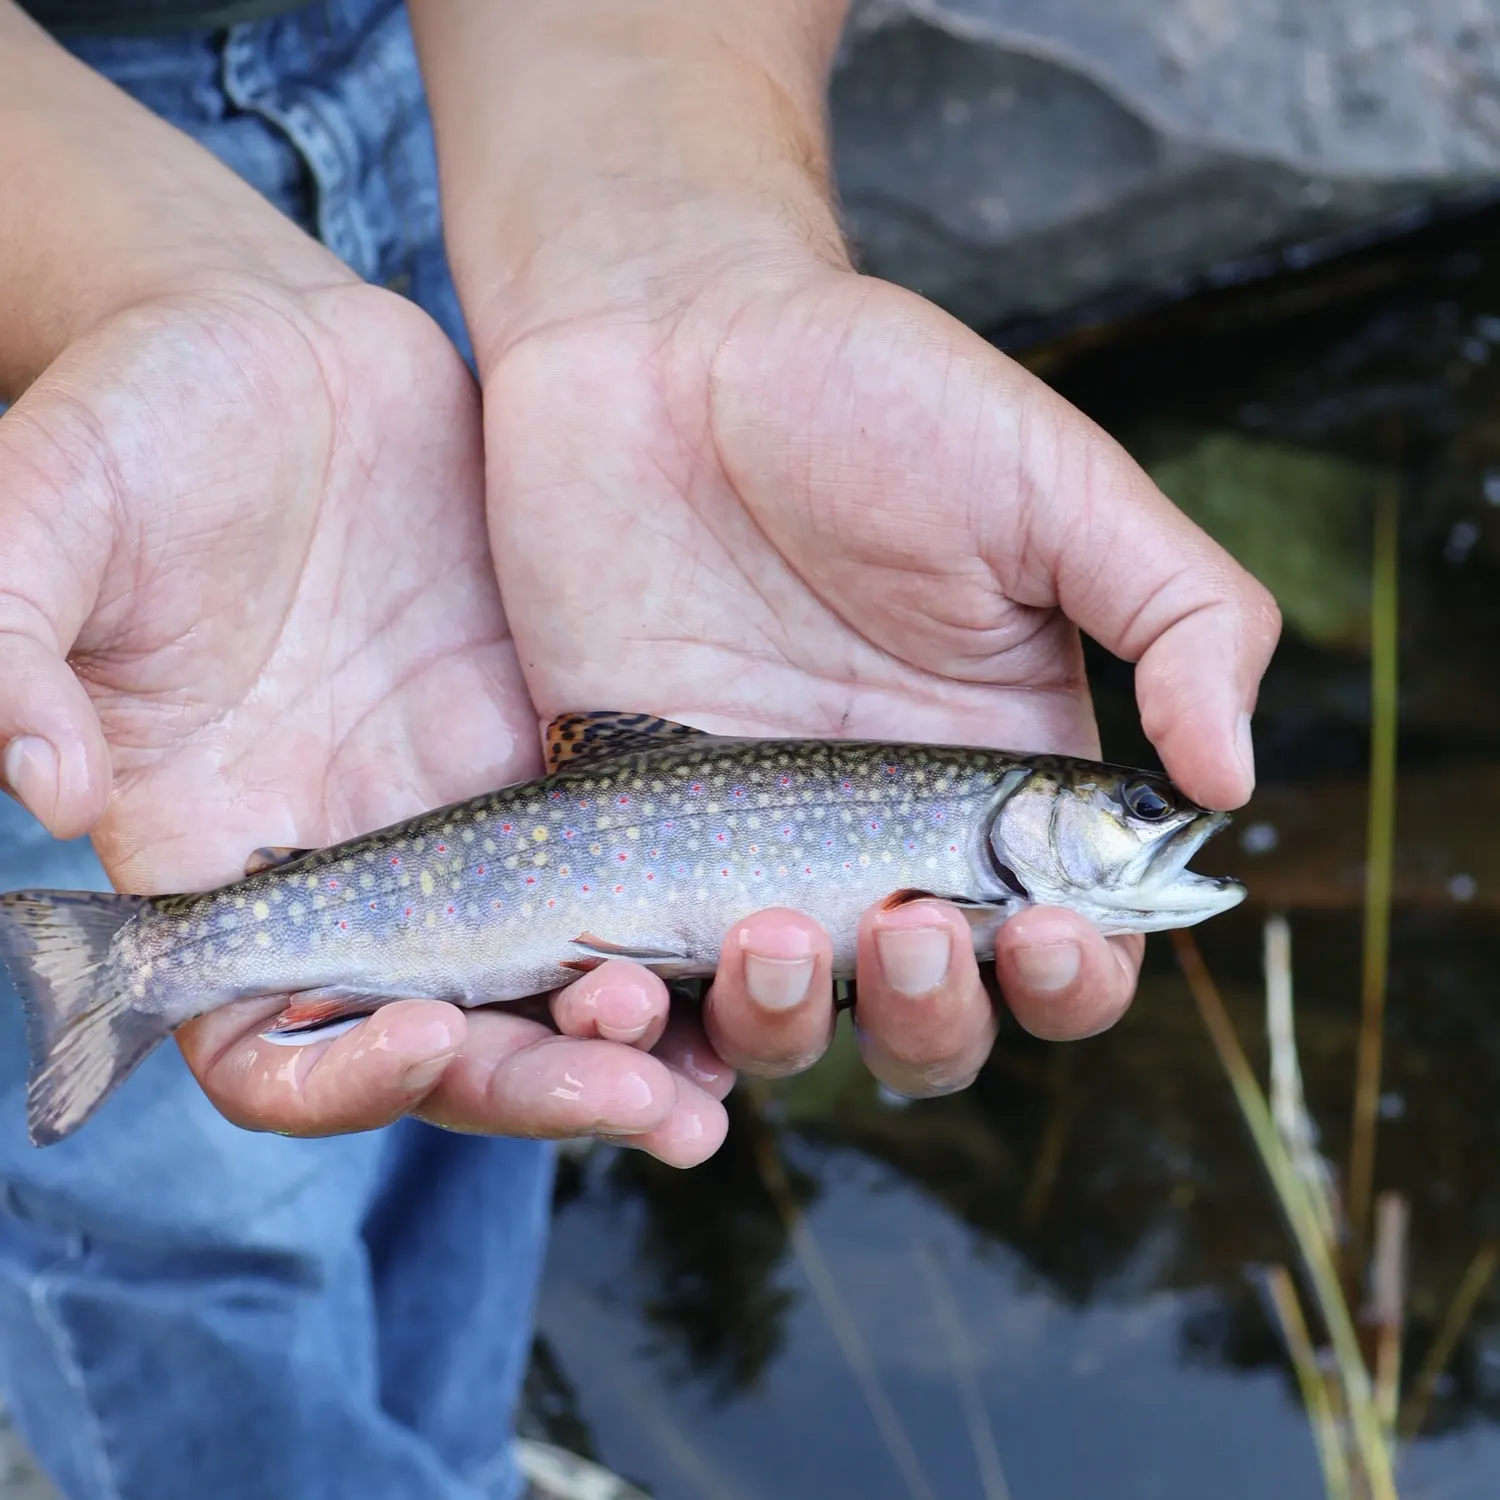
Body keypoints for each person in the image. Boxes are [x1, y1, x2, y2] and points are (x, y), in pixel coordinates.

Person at [0, 1, 1281, 1497]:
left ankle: (444, 1466)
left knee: (478, 1126)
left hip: (470, 151)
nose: (1150, 830)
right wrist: (116, 289)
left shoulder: (977, 847)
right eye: (1125, 813)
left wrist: (683, 260)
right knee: (191, 1223)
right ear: (1042, 818)